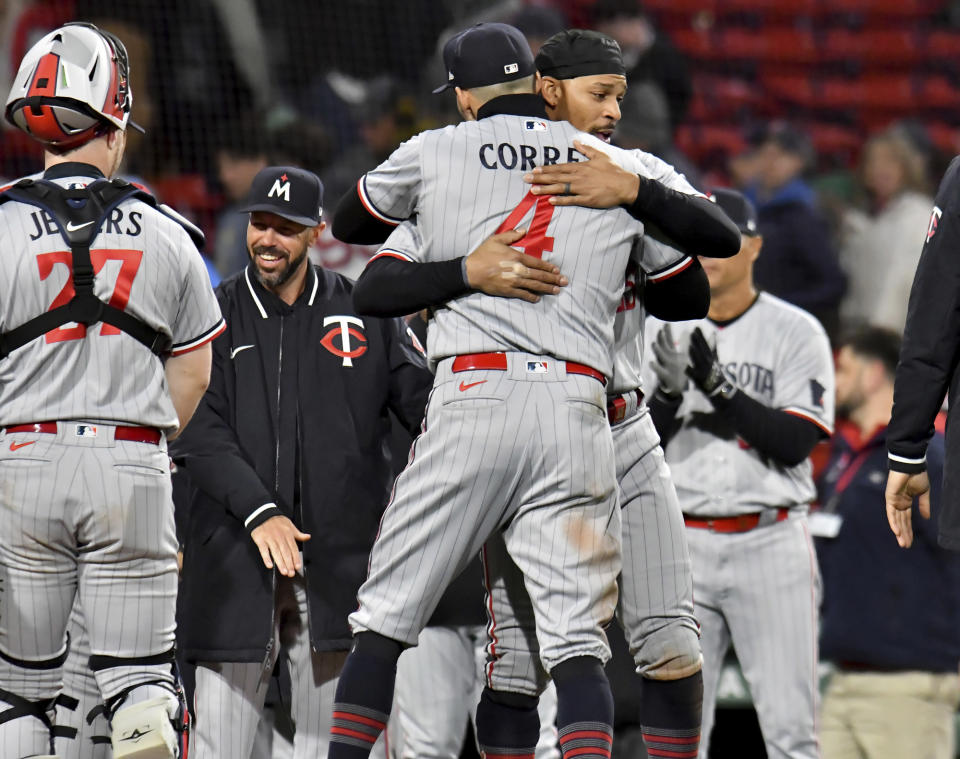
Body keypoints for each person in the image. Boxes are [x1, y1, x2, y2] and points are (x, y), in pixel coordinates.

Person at [328, 23, 739, 759]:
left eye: (618, 94)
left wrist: (635, 196)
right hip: (571, 420)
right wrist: (470, 266)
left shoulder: (617, 169)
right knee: (522, 656)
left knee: (670, 641)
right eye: (599, 93)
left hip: (615, 421)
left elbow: (690, 291)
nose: (614, 109)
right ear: (545, 90)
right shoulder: (470, 177)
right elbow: (383, 279)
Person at [0, 21, 224, 759]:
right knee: (139, 687)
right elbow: (192, 371)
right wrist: (146, 444)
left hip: (21, 457)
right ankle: (139, 714)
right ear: (115, 122)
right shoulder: (168, 231)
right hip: (132, 460)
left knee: (20, 692)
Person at [170, 165, 432, 759]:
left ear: (316, 230)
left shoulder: (367, 310)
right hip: (235, 562)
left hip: (339, 572)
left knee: (332, 749)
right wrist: (261, 510)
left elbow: (428, 416)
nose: (268, 239)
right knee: (218, 749)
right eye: (260, 224)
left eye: (285, 228)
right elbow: (195, 429)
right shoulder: (213, 314)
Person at [645, 188, 835, 759]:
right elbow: (628, 445)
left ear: (753, 246)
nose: (707, 254)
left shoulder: (795, 330)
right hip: (681, 547)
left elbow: (795, 441)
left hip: (770, 541)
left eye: (722, 241)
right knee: (679, 739)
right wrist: (671, 397)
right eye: (698, 241)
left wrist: (722, 392)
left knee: (791, 732)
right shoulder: (656, 329)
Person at [815, 326, 960, 759]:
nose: (833, 382)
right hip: (840, 678)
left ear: (874, 374)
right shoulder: (842, 456)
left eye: (843, 369)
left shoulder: (929, 460)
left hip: (909, 686)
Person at [742, 121, 846, 340]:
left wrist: (781, 305)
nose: (769, 162)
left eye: (779, 155)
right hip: (751, 326)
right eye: (764, 153)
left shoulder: (804, 215)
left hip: (785, 333)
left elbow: (833, 283)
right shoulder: (746, 205)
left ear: (799, 162)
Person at [839, 129, 932, 334]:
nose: (879, 169)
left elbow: (900, 281)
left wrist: (879, 334)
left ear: (905, 169)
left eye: (890, 162)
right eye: (872, 162)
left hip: (894, 336)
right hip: (859, 330)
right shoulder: (860, 220)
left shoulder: (919, 215)